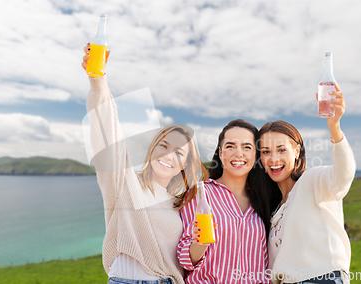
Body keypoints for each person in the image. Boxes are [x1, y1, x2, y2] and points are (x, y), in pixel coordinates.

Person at [82, 44, 208, 284]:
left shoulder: (179, 204)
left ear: (184, 165)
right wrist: (98, 80)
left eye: (179, 154)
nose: (168, 156)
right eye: (164, 146)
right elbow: (108, 133)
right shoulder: (124, 183)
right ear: (153, 150)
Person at [259, 85, 355, 284]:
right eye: (266, 152)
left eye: (281, 149)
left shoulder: (312, 181)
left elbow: (342, 177)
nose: (273, 158)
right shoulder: (274, 209)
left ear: (297, 152)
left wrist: (334, 128)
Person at [177, 119, 272, 284]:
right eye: (230, 146)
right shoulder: (200, 193)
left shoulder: (263, 200)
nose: (238, 154)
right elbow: (184, 259)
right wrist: (200, 243)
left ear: (256, 155)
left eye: (247, 147)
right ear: (220, 153)